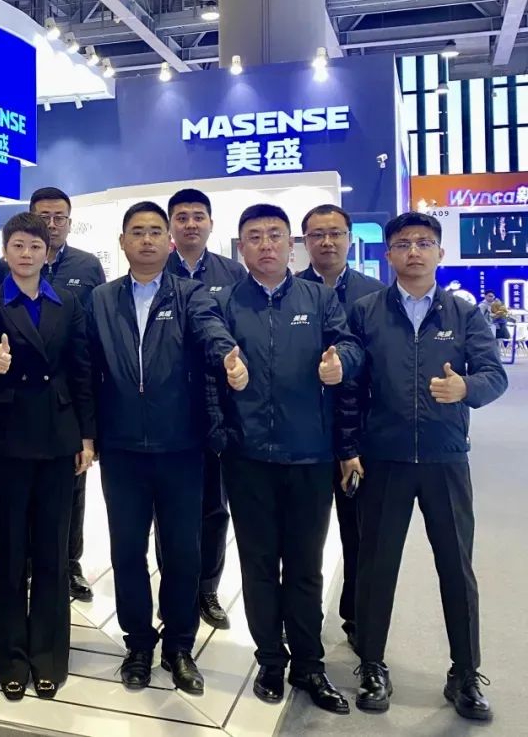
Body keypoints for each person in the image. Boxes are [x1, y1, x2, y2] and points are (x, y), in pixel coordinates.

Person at [339, 212, 507, 720]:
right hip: (384, 458)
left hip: (444, 458)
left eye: (424, 242)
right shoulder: (366, 312)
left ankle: (465, 673)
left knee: (456, 568)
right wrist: (350, 447)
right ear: (388, 253)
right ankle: (372, 665)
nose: (414, 251)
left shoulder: (464, 314)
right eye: (403, 243)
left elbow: (493, 375)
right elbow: (351, 387)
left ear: (439, 252)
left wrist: (465, 388)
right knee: (376, 567)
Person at [89, 201, 245, 694]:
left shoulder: (190, 293)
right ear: (122, 242)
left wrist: (227, 355)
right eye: (137, 231)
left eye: (156, 231)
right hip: (122, 449)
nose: (147, 239)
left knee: (181, 552)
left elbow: (210, 329)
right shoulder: (100, 299)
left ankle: (179, 647)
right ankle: (138, 644)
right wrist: (89, 434)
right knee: (127, 550)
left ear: (168, 241)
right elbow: (85, 369)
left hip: (181, 446)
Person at [213, 203, 361, 715]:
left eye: (275, 235)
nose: (266, 245)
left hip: (308, 455)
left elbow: (349, 346)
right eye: (255, 237)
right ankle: (271, 660)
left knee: (304, 565)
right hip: (247, 455)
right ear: (242, 247)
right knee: (258, 565)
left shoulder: (318, 298)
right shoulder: (225, 303)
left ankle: (309, 664)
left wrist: (342, 363)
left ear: (290, 245)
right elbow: (209, 358)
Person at [0, 212, 96, 701]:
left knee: (51, 552)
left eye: (35, 247)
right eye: (18, 245)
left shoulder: (67, 301)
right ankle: (10, 657)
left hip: (57, 437)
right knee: (8, 553)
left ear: (48, 253)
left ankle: (48, 656)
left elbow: (81, 369)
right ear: (5, 251)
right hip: (6, 438)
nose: (26, 254)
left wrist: (87, 437)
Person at [0, 187, 106, 602]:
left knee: (71, 491)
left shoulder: (87, 266)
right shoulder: (3, 272)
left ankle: (69, 564)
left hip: (64, 401)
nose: (52, 224)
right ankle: (22, 565)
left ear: (69, 223)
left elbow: (91, 339)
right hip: (16, 403)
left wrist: (88, 425)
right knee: (18, 501)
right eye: (44, 217)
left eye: (59, 217)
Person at [296, 203, 384, 653]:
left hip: (360, 436)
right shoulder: (290, 291)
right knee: (302, 539)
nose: (327, 242)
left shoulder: (375, 295)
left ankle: (356, 616)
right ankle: (300, 622)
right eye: (317, 234)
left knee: (360, 533)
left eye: (335, 233)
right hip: (305, 434)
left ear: (350, 238)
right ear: (305, 242)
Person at [165, 188, 247, 631]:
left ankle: (207, 589)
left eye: (198, 216)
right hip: (170, 406)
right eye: (182, 217)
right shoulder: (156, 270)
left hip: (219, 404)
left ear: (211, 223)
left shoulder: (232, 273)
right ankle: (174, 589)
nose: (191, 224)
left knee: (215, 507)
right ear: (171, 225)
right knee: (170, 509)